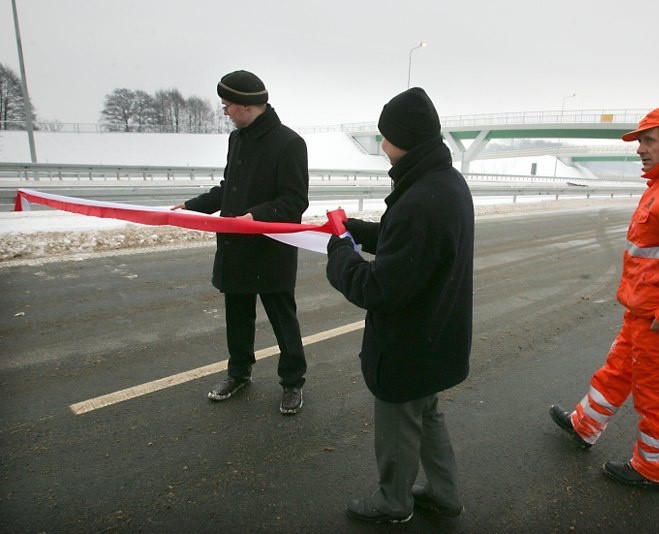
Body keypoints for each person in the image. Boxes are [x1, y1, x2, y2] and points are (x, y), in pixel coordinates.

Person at [549, 105, 659, 489]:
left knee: (657, 396)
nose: (640, 149)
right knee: (617, 372)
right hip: (643, 313)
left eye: (648, 140)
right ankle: (585, 425)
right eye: (640, 141)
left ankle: (652, 468)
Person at [326, 87, 474, 523]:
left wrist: (341, 254)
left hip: (409, 343)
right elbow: (408, 246)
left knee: (397, 424)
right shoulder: (444, 183)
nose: (382, 145)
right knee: (427, 416)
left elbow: (379, 288)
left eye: (384, 137)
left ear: (402, 139)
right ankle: (445, 495)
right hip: (436, 334)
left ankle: (393, 501)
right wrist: (354, 230)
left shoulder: (419, 200)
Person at [172, 70, 309, 414]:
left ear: (247, 106)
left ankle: (292, 382)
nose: (226, 112)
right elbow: (227, 188)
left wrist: (256, 216)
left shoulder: (289, 143)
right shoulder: (238, 140)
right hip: (236, 245)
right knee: (237, 315)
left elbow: (295, 201)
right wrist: (191, 206)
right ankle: (239, 372)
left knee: (282, 318)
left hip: (270, 249)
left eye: (227, 105)